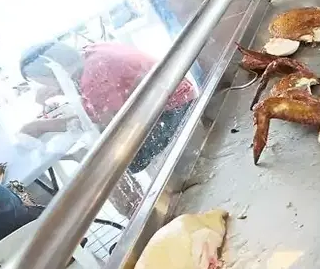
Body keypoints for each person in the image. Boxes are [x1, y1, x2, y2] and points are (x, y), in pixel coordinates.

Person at [19, 41, 196, 175]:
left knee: (104, 167)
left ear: (52, 71)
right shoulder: (92, 52)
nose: (42, 87)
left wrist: (42, 128)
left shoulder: (93, 77)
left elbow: (107, 126)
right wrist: (64, 89)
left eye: (40, 81)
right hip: (179, 95)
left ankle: (143, 212)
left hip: (174, 112)